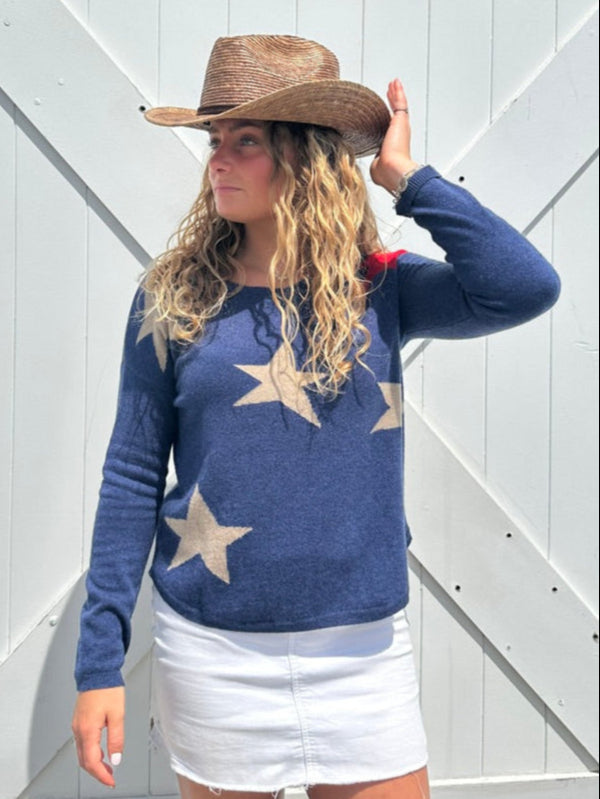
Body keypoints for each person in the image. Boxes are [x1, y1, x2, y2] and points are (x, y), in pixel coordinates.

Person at [71, 34, 560, 799]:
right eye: (214, 140)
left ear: (305, 155)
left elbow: (524, 285)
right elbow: (131, 475)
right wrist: (99, 663)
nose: (217, 160)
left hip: (361, 652)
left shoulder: (381, 287)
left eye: (245, 141)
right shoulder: (174, 296)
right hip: (215, 651)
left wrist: (409, 179)